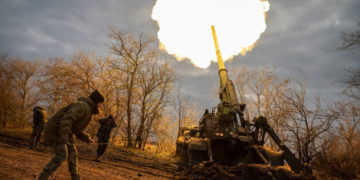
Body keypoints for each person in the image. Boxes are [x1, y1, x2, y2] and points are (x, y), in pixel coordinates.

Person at [38, 90, 104, 180]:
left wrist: (87, 139)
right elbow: (67, 119)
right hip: (56, 130)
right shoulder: (82, 106)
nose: (101, 106)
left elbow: (76, 130)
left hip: (65, 132)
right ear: (96, 102)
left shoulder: (89, 110)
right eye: (101, 104)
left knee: (73, 154)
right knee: (62, 154)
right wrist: (64, 135)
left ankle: (76, 178)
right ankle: (42, 178)